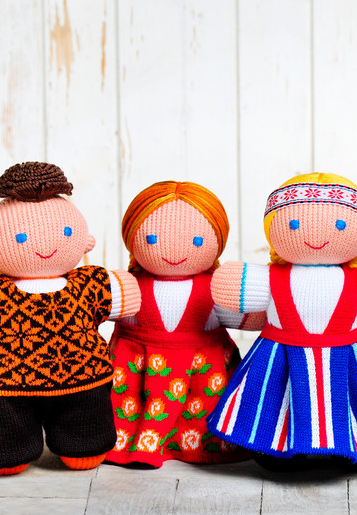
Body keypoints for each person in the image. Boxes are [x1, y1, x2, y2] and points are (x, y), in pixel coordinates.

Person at [0, 162, 140, 475]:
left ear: (85, 240)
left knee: (86, 434)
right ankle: (7, 453)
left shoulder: (90, 283)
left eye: (66, 233)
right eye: (22, 237)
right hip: (6, 387)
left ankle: (82, 446)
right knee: (2, 445)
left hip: (80, 381)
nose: (46, 245)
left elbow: (128, 301)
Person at [207, 173, 357, 471]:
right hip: (282, 352)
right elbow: (233, 287)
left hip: (349, 352)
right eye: (294, 225)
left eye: (340, 226)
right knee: (272, 397)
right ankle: (275, 446)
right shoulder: (270, 278)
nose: (316, 237)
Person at [108, 181, 260, 467]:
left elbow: (243, 316)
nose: (173, 252)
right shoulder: (127, 286)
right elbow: (99, 308)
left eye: (197, 242)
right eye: (152, 240)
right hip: (136, 369)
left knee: (203, 410)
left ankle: (199, 439)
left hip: (201, 375)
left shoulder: (218, 287)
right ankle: (134, 441)